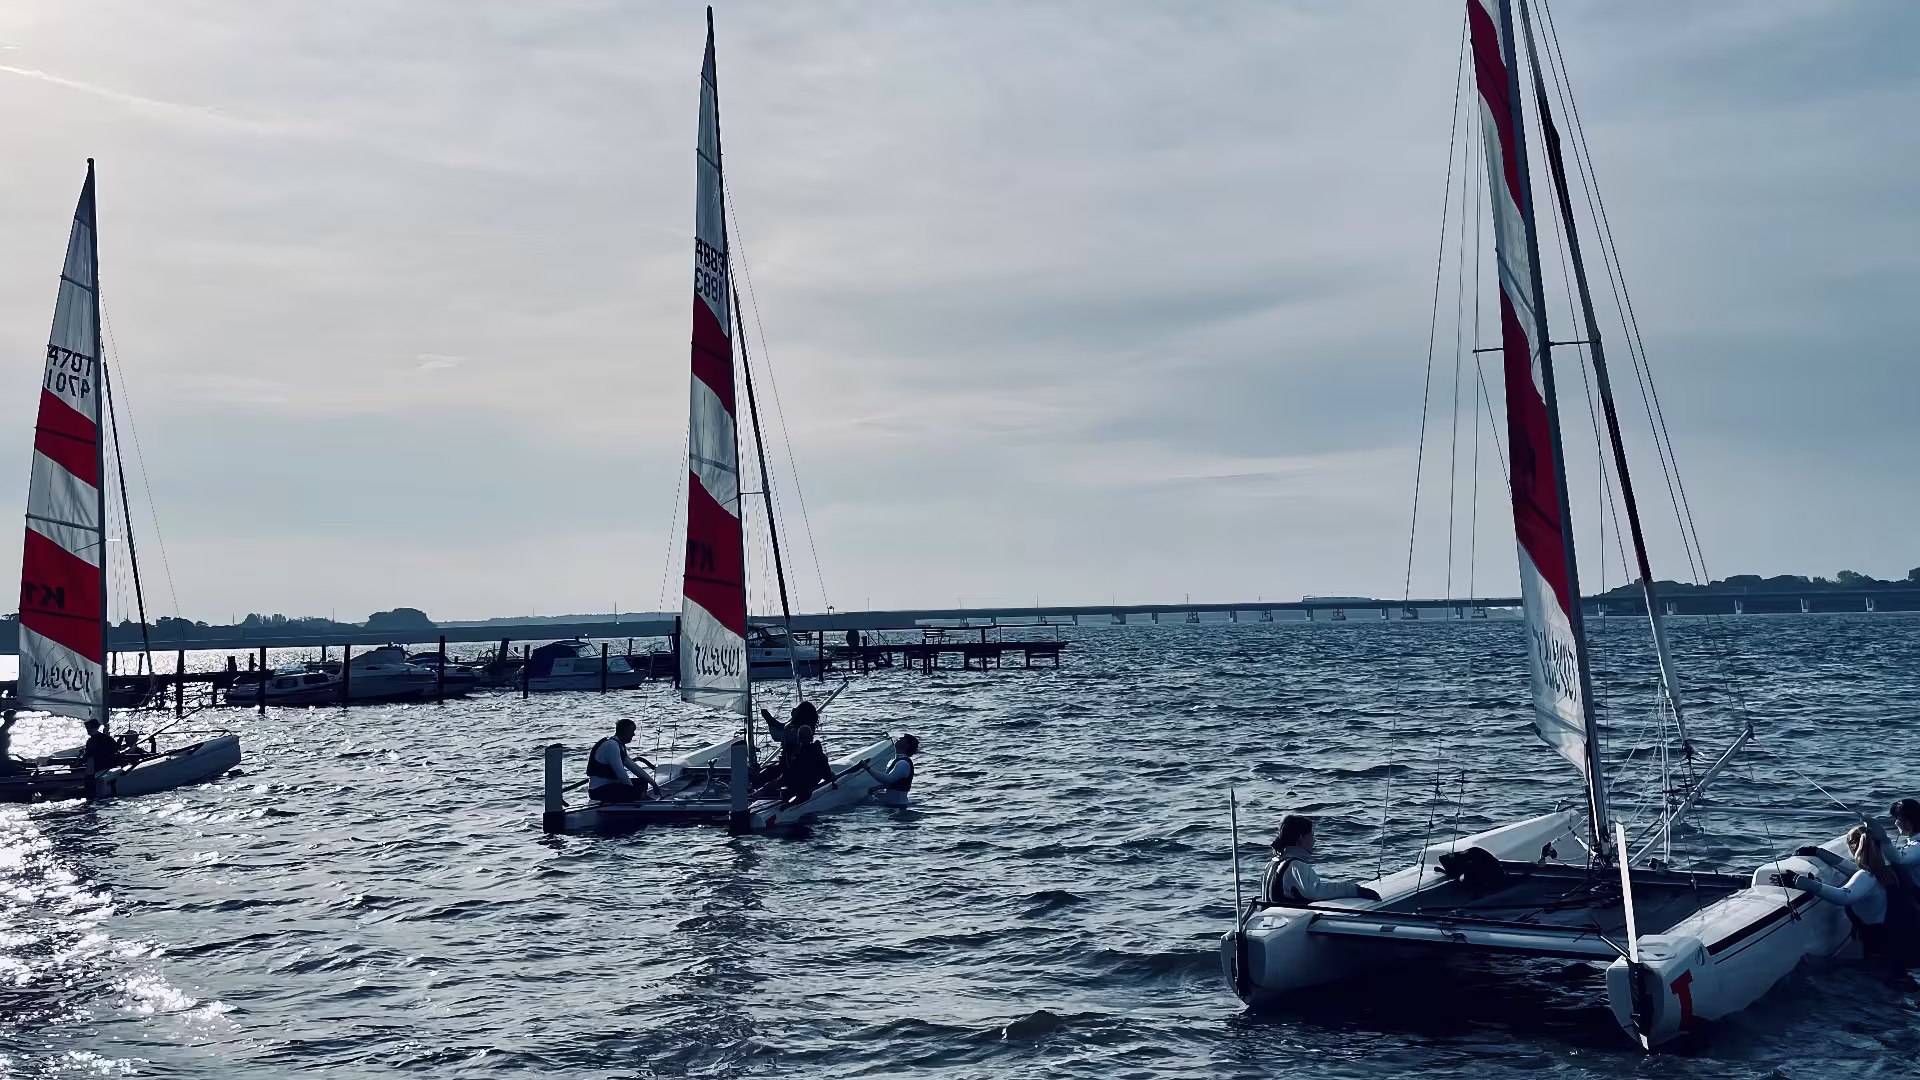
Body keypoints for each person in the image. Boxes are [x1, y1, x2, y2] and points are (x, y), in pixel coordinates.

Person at [1783, 826, 1913, 963]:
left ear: (1853, 848)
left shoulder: (1867, 876)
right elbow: (1853, 871)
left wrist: (1803, 882)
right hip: (1893, 938)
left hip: (1878, 944)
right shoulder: (1885, 869)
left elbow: (1844, 896)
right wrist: (1819, 852)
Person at [1261, 814, 1381, 905]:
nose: (1314, 840)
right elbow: (1317, 891)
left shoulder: (1272, 863)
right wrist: (1356, 890)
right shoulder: (1296, 866)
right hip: (1288, 927)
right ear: (1301, 838)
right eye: (1311, 836)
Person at [586, 719, 658, 804]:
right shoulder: (611, 745)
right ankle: (638, 800)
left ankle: (638, 799)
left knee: (642, 781)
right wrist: (632, 791)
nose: (633, 734)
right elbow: (620, 773)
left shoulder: (619, 745)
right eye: (632, 731)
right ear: (625, 731)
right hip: (599, 790)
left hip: (611, 786)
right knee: (633, 789)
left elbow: (634, 767)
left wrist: (653, 783)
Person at [780, 723, 833, 807]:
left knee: (783, 784)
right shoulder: (815, 751)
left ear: (799, 739)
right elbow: (826, 770)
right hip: (805, 784)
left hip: (804, 785)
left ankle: (789, 801)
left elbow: (791, 771)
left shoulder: (798, 755)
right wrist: (830, 778)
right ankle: (790, 802)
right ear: (811, 737)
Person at [867, 734, 918, 806]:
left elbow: (889, 779)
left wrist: (867, 768)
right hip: (893, 805)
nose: (899, 738)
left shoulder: (903, 763)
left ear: (907, 745)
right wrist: (877, 788)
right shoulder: (895, 761)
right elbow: (892, 783)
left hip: (899, 807)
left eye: (902, 738)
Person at [1886, 799, 1920, 892]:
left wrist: (1883, 839)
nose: (1896, 823)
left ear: (1908, 823)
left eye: (1897, 819)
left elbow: (1900, 859)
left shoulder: (1917, 847)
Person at [0, 711, 26, 776]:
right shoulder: (3, 731)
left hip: (4, 757)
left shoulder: (5, 730)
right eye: (14, 717)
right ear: (8, 718)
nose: (15, 719)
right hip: (2, 759)